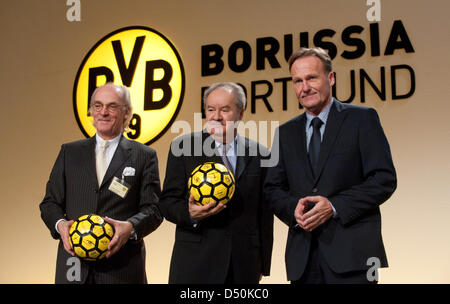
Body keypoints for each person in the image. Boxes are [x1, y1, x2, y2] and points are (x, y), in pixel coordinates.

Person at [264, 47, 397, 284]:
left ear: (331, 78)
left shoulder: (362, 119)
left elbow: (383, 179)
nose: (305, 87)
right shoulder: (284, 133)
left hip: (353, 258)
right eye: (297, 81)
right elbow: (272, 189)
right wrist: (293, 209)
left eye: (311, 78)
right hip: (302, 261)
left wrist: (334, 206)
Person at [40, 83, 163, 284]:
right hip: (74, 268)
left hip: (122, 268)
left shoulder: (144, 155)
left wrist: (130, 228)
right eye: (97, 106)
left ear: (127, 113)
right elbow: (49, 203)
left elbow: (154, 209)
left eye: (112, 106)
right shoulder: (69, 152)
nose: (103, 112)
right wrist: (60, 225)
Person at [158, 82, 273, 284]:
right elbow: (167, 202)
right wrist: (189, 213)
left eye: (225, 110)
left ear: (241, 113)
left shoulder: (260, 154)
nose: (216, 117)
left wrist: (263, 264)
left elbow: (264, 214)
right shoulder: (183, 147)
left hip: (244, 265)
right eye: (211, 109)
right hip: (195, 264)